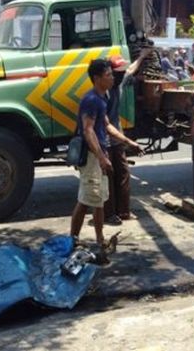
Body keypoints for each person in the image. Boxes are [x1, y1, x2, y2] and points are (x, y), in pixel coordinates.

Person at [69, 59, 142, 253]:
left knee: (98, 200)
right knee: (86, 200)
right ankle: (73, 240)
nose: (112, 78)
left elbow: (107, 125)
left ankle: (100, 240)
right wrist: (101, 157)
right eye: (108, 75)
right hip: (92, 157)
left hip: (99, 155)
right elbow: (88, 130)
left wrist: (128, 142)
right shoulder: (92, 100)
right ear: (97, 78)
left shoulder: (102, 98)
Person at [104, 48, 152, 225]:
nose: (121, 74)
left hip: (116, 139)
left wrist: (141, 57)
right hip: (106, 140)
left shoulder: (119, 82)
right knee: (108, 176)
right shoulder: (103, 93)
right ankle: (109, 214)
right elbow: (105, 125)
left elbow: (131, 69)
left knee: (123, 173)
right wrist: (128, 141)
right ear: (109, 73)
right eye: (117, 72)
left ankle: (123, 212)